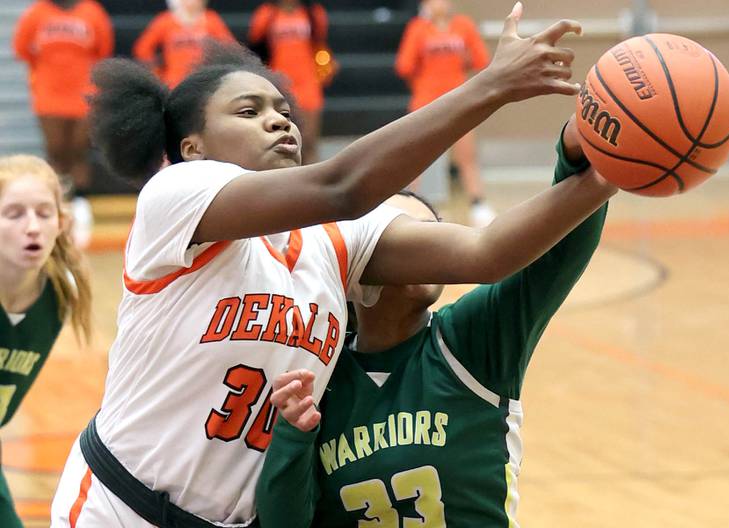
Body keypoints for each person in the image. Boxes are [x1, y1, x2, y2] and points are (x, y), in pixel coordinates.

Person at [50, 5, 587, 526]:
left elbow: (486, 253)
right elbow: (342, 186)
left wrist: (601, 172)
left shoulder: (335, 242)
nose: (278, 121)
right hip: (118, 506)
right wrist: (491, 86)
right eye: (249, 111)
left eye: (284, 110)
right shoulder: (174, 197)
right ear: (192, 147)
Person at [255, 115, 614, 526]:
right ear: (352, 269)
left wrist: (575, 158)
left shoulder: (468, 340)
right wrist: (291, 436)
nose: (425, 249)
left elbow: (554, 257)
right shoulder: (316, 375)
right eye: (402, 241)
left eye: (430, 234)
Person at [0, 155, 92, 528]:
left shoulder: (61, 293)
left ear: (62, 222)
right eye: (14, 214)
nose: (32, 227)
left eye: (43, 213)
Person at [12, 0, 114, 249]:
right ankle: (54, 205)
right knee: (56, 150)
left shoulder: (92, 12)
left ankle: (80, 206)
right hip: (49, 95)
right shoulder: (37, 13)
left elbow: (103, 50)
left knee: (79, 150)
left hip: (83, 93)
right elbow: (21, 49)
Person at [396, 0, 496, 227]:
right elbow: (404, 65)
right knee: (417, 157)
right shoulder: (417, 28)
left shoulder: (464, 25)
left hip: (459, 102)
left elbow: (481, 59)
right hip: (425, 103)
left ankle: (478, 204)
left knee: (466, 156)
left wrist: (462, 60)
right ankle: (407, 203)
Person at [248, 0, 333, 164]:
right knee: (280, 140)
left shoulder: (313, 13)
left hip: (308, 84)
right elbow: (257, 48)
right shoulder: (266, 14)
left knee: (309, 142)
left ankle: (314, 182)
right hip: (277, 85)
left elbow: (319, 44)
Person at [133, 0, 236, 88]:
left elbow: (229, 48)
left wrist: (218, 71)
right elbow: (142, 49)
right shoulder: (165, 20)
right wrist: (157, 73)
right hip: (173, 82)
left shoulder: (211, 19)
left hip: (204, 82)